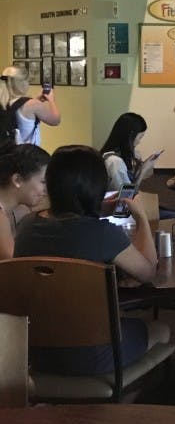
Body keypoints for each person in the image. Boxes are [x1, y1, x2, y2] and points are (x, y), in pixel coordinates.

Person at [15, 145, 160, 374]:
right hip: (94, 355)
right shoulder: (103, 233)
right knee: (160, 330)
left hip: (34, 352)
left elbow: (68, 224)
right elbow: (148, 271)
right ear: (96, 186)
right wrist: (141, 217)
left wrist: (96, 209)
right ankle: (124, 401)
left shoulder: (26, 227)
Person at [0, 142, 50, 260]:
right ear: (17, 180)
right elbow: (13, 263)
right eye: (43, 182)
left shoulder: (18, 210)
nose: (46, 190)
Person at [0, 65, 61, 144]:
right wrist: (51, 100)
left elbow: (17, 107)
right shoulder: (33, 104)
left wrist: (36, 100)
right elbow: (55, 120)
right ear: (23, 83)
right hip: (25, 154)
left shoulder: (3, 102)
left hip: (5, 153)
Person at [99, 112, 160, 190]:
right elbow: (126, 195)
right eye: (140, 137)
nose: (139, 141)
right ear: (130, 136)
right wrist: (143, 170)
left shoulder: (116, 154)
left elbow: (130, 182)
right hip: (114, 201)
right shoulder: (115, 162)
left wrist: (141, 166)